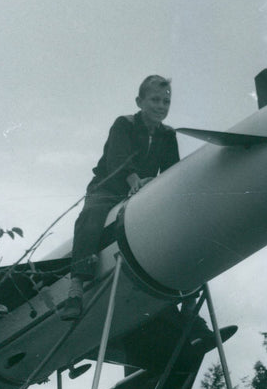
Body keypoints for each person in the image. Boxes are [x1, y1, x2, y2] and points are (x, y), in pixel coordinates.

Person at [59, 75, 179, 320]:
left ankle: (180, 303)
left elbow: (170, 170)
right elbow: (117, 159)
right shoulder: (123, 124)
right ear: (139, 101)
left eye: (166, 102)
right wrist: (134, 180)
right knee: (90, 218)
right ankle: (76, 288)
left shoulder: (168, 135)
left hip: (142, 191)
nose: (160, 106)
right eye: (154, 100)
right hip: (109, 187)